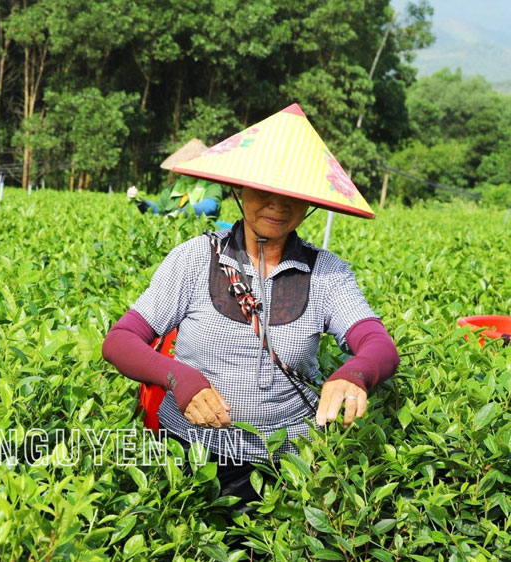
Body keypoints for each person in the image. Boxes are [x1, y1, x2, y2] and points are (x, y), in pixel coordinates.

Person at [102, 103, 400, 509]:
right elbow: (120, 340)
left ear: (309, 202)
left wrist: (355, 374)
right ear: (239, 190)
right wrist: (177, 376)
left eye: (291, 195)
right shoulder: (195, 258)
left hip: (282, 468)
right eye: (264, 190)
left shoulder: (327, 273)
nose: (277, 205)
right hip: (186, 454)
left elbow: (378, 344)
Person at [126, 176, 223, 218]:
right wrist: (139, 201)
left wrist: (178, 214)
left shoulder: (212, 186)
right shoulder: (177, 186)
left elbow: (209, 206)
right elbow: (158, 210)